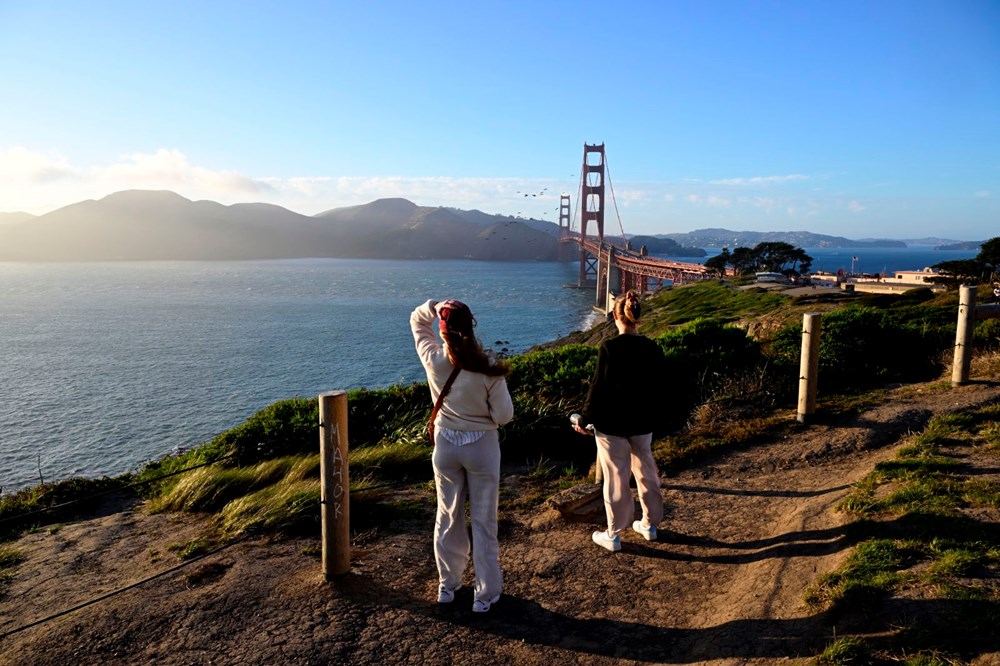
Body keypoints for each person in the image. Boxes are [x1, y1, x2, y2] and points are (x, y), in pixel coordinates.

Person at [410, 299, 514, 612]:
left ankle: (447, 586)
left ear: (442, 331)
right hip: (481, 446)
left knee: (448, 515)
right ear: (471, 326)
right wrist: (485, 419)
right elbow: (505, 415)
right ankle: (485, 596)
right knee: (483, 522)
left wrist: (435, 305)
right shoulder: (488, 366)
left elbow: (417, 320)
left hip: (445, 446)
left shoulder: (433, 359)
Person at [573, 290, 666, 552]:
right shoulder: (652, 347)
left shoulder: (609, 348)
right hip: (642, 422)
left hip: (612, 425)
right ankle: (649, 525)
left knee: (616, 477)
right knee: (646, 473)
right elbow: (659, 387)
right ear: (638, 316)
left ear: (615, 316)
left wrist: (584, 418)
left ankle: (613, 534)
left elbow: (598, 388)